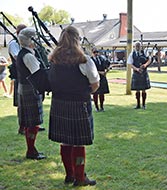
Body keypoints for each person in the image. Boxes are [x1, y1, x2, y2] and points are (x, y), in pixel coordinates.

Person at [48, 26, 100, 186]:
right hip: (79, 104)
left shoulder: (54, 59)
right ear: (77, 39)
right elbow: (95, 84)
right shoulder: (84, 60)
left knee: (65, 141)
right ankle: (79, 178)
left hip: (59, 104)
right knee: (78, 143)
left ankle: (70, 175)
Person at [16, 27, 46, 160]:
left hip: (24, 88)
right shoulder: (28, 56)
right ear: (30, 40)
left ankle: (31, 149)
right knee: (33, 123)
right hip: (31, 89)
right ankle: (31, 150)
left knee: (30, 122)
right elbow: (37, 75)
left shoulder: (23, 53)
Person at [8, 24, 27, 134]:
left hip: (27, 75)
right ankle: (22, 127)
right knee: (21, 104)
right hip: (19, 75)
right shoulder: (13, 44)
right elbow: (17, 57)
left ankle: (32, 124)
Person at [127, 41, 152, 109]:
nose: (138, 47)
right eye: (136, 46)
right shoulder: (132, 54)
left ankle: (144, 105)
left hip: (144, 73)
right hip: (136, 73)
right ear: (134, 47)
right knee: (137, 89)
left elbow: (149, 60)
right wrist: (137, 69)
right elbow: (130, 64)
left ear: (141, 47)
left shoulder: (145, 53)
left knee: (144, 89)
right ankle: (138, 104)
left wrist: (145, 65)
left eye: (139, 46)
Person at [91, 47, 110, 112]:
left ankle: (102, 107)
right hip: (95, 78)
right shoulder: (91, 60)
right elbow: (91, 69)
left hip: (102, 78)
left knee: (102, 93)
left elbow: (107, 65)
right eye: (94, 52)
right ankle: (97, 107)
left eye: (97, 52)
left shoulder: (101, 59)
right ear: (92, 53)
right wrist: (100, 72)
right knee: (95, 93)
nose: (96, 53)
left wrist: (107, 70)